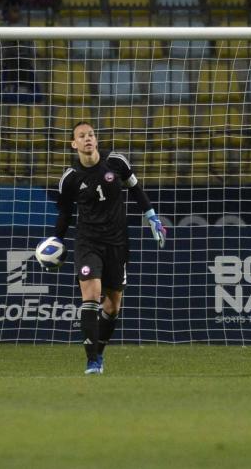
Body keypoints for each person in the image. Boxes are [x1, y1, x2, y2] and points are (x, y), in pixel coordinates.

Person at [53, 122, 167, 375]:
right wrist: (56, 241)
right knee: (91, 295)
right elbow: (64, 214)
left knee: (113, 306)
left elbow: (135, 189)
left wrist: (152, 217)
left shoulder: (116, 162)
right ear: (74, 144)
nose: (88, 139)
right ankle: (92, 361)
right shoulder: (70, 178)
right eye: (81, 136)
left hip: (117, 243)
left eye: (91, 135)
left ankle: (99, 352)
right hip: (88, 242)